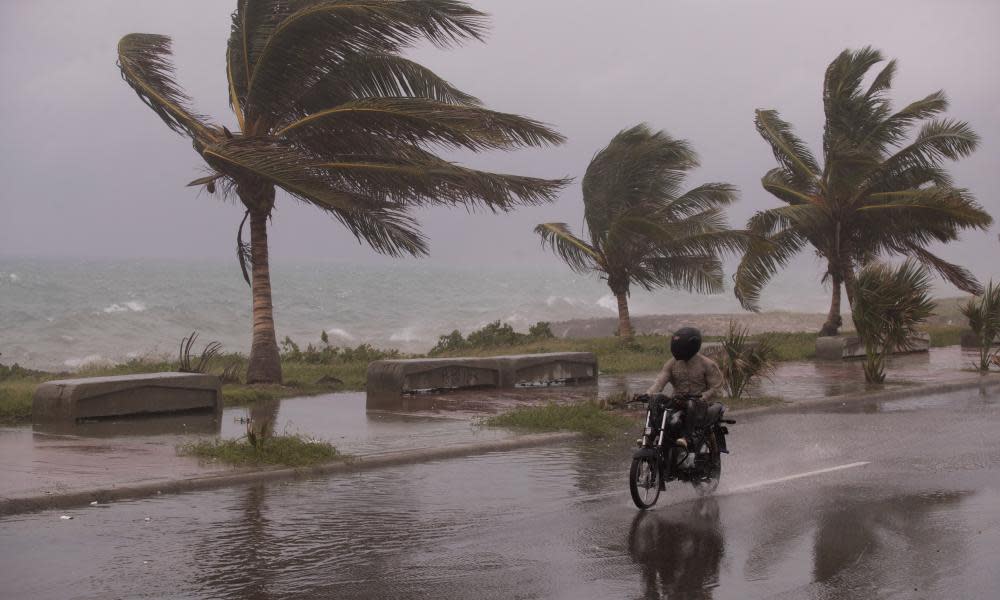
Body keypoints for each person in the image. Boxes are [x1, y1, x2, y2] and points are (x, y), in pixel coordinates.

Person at [645, 327, 723, 447]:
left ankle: (687, 438)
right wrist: (648, 394)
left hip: (699, 404)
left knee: (691, 404)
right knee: (655, 400)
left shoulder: (707, 364)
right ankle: (651, 434)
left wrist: (703, 396)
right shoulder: (671, 363)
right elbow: (660, 382)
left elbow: (716, 388)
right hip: (677, 401)